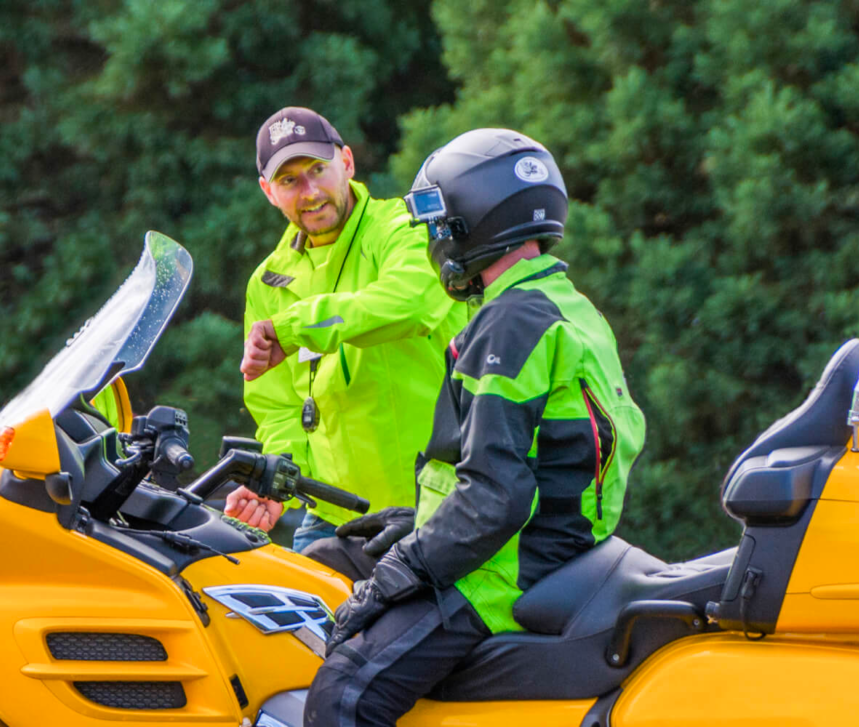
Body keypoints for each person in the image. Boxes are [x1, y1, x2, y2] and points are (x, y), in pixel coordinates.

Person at [303, 129, 647, 727]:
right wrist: (417, 527)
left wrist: (405, 568)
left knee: (344, 693)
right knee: (322, 560)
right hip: (544, 547)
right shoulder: (568, 307)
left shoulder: (510, 323)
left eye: (436, 217)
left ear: (471, 218)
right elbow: (545, 463)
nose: (433, 237)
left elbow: (497, 497)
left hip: (500, 573)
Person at [231, 107, 467, 551]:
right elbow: (278, 407)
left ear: (348, 162)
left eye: (319, 170)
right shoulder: (267, 282)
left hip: (436, 510)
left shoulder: (403, 228)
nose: (311, 191)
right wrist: (277, 478)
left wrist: (297, 328)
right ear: (268, 191)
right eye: (289, 181)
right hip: (333, 517)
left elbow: (411, 303)